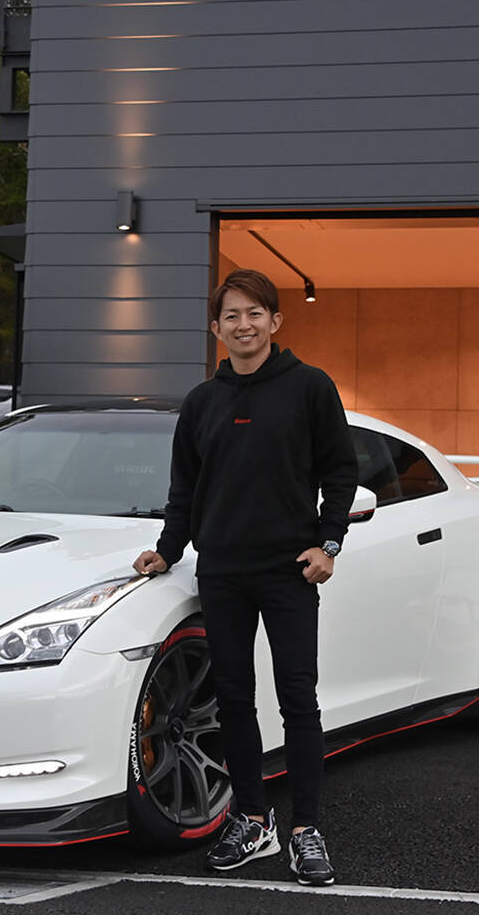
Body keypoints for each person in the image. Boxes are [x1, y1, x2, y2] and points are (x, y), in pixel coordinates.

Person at [133, 268, 358, 887]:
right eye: (231, 316)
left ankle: (305, 830)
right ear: (216, 328)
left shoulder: (310, 387)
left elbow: (340, 473)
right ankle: (253, 820)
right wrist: (167, 550)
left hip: (289, 570)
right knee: (232, 699)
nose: (243, 325)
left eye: (254, 313)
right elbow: (185, 488)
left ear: (275, 321)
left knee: (298, 699)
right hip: (223, 571)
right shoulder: (202, 402)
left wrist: (328, 543)